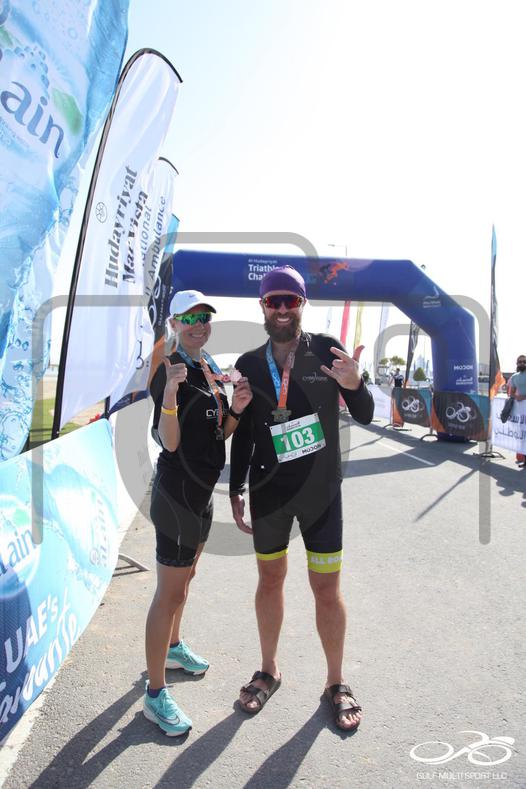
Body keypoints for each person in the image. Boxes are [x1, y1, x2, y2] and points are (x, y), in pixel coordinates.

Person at [229, 265, 374, 732]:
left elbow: (366, 415)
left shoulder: (327, 350)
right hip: (269, 494)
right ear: (263, 306)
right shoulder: (250, 363)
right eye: (274, 301)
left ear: (302, 304)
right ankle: (268, 670)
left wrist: (355, 385)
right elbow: (244, 432)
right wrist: (235, 488)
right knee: (270, 581)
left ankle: (336, 682)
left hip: (321, 494)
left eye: (290, 300)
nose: (282, 309)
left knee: (326, 591)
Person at [144, 289, 252, 736]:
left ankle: (173, 647)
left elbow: (217, 433)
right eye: (188, 318)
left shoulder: (207, 365)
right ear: (174, 324)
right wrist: (170, 394)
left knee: (186, 581)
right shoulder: (169, 369)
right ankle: (154, 694)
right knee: (167, 595)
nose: (198, 325)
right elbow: (170, 442)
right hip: (177, 497)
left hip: (203, 495)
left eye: (204, 317)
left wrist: (237, 410)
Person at [508, 354, 526, 467]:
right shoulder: (514, 377)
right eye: (520, 362)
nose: (522, 363)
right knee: (523, 435)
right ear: (517, 364)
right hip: (522, 412)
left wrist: (523, 397)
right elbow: (512, 393)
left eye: (524, 361)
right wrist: (516, 397)